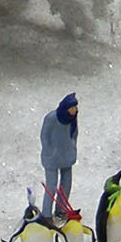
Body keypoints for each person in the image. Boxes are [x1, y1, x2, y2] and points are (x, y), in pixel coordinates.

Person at [39, 93, 79, 225]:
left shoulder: (73, 118)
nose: (75, 110)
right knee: (51, 185)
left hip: (67, 155)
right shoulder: (52, 118)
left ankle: (61, 209)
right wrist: (50, 151)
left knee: (66, 184)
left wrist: (72, 146)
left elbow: (74, 133)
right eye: (72, 108)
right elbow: (44, 136)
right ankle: (46, 214)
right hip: (52, 158)